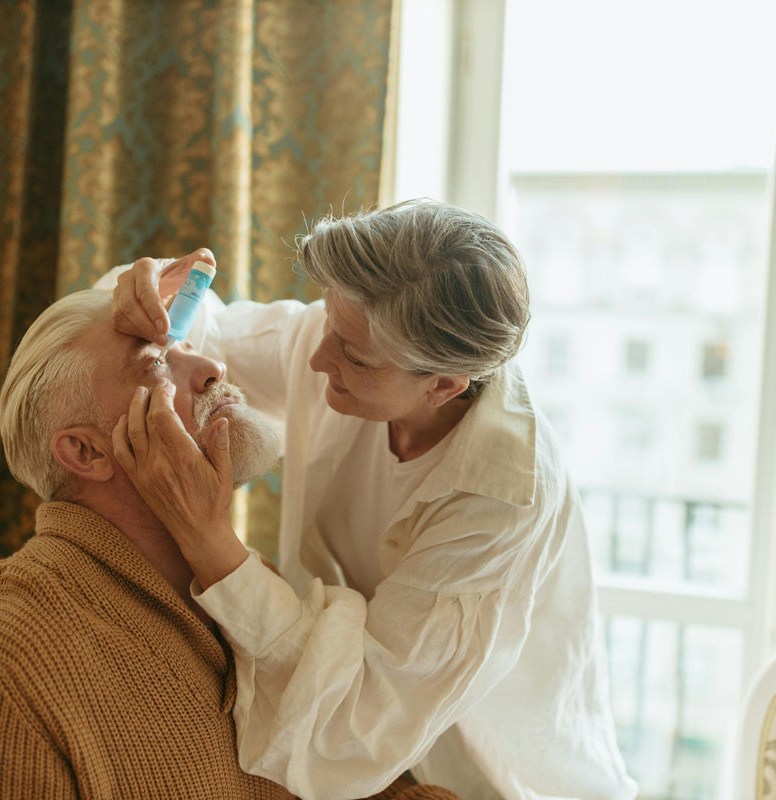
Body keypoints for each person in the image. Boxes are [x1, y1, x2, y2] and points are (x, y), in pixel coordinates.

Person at [101, 200, 638, 800]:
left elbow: (356, 726)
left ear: (443, 386)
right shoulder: (346, 337)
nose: (317, 358)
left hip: (483, 778)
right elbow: (201, 337)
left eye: (353, 356)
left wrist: (208, 538)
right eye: (331, 322)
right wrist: (142, 293)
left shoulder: (502, 499)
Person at [0, 288, 457, 800]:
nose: (211, 366)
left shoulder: (242, 592)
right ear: (88, 453)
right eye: (156, 363)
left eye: (187, 347)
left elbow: (357, 783)